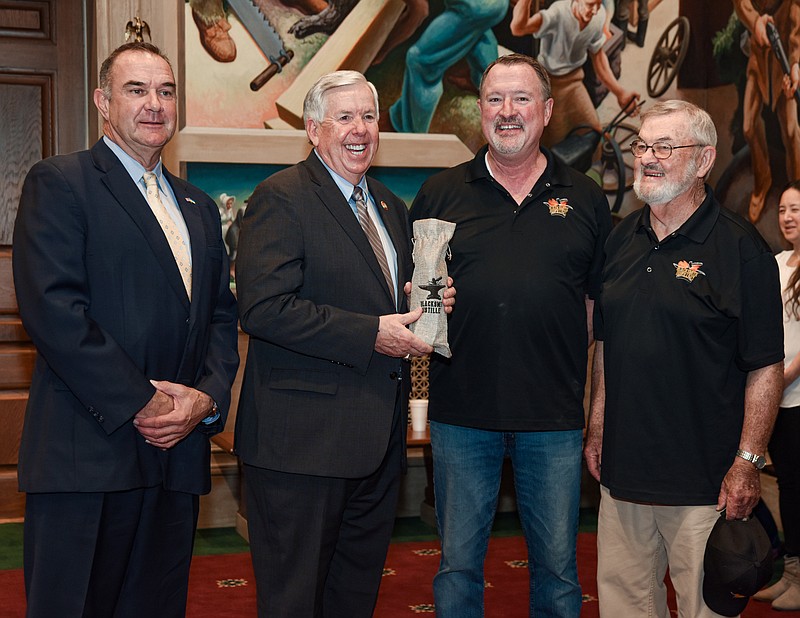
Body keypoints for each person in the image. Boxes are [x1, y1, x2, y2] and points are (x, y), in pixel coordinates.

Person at [12, 41, 240, 617]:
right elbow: (54, 311)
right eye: (136, 90)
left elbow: (218, 314)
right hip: (88, 454)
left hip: (175, 458)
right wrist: (142, 403)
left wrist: (206, 399)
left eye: (165, 91)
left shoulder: (197, 206)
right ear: (103, 102)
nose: (154, 105)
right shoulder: (61, 182)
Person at [234, 70, 455, 618]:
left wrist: (431, 299)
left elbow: (390, 295)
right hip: (300, 449)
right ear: (313, 129)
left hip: (376, 446)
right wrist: (371, 334)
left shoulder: (388, 206)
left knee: (354, 599)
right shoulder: (280, 197)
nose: (361, 130)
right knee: (293, 601)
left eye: (370, 116)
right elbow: (263, 308)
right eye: (345, 117)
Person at [409, 53, 612, 617]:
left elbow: (597, 315)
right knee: (456, 568)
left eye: (521, 99)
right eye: (494, 99)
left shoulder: (587, 199)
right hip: (460, 416)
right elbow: (415, 298)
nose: (507, 112)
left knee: (558, 571)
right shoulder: (441, 193)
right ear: (481, 112)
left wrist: (594, 412)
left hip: (553, 419)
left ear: (546, 111)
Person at [584, 99, 784, 617]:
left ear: (703, 161)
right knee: (624, 606)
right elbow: (607, 345)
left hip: (706, 484)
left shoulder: (742, 250)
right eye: (642, 146)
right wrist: (598, 425)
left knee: (703, 609)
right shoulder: (621, 239)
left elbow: (766, 367)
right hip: (623, 476)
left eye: (664, 148)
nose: (647, 158)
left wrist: (747, 463)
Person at [753, 180, 800, 611]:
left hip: (796, 393)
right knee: (788, 487)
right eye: (783, 210)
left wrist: (782, 377)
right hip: (780, 397)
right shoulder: (779, 262)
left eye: (796, 209)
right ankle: (791, 571)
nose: (787, 217)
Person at [510, 0, 639, 149]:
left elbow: (598, 57)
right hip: (549, 85)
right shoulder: (558, 13)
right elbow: (518, 28)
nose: (595, 10)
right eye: (591, 4)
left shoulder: (598, 17)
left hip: (574, 82)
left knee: (593, 131)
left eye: (598, 4)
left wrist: (620, 92)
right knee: (553, 141)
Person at [386, 0, 509, 133]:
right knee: (475, 30)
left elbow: (420, 11)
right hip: (493, 4)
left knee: (419, 61)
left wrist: (383, 51)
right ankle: (498, 94)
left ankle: (411, 133)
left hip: (478, 8)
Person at [732, 0, 800, 223]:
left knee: (791, 131)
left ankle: (797, 189)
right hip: (759, 58)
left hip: (786, 61)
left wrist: (796, 63)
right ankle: (763, 183)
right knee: (749, 127)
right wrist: (755, 22)